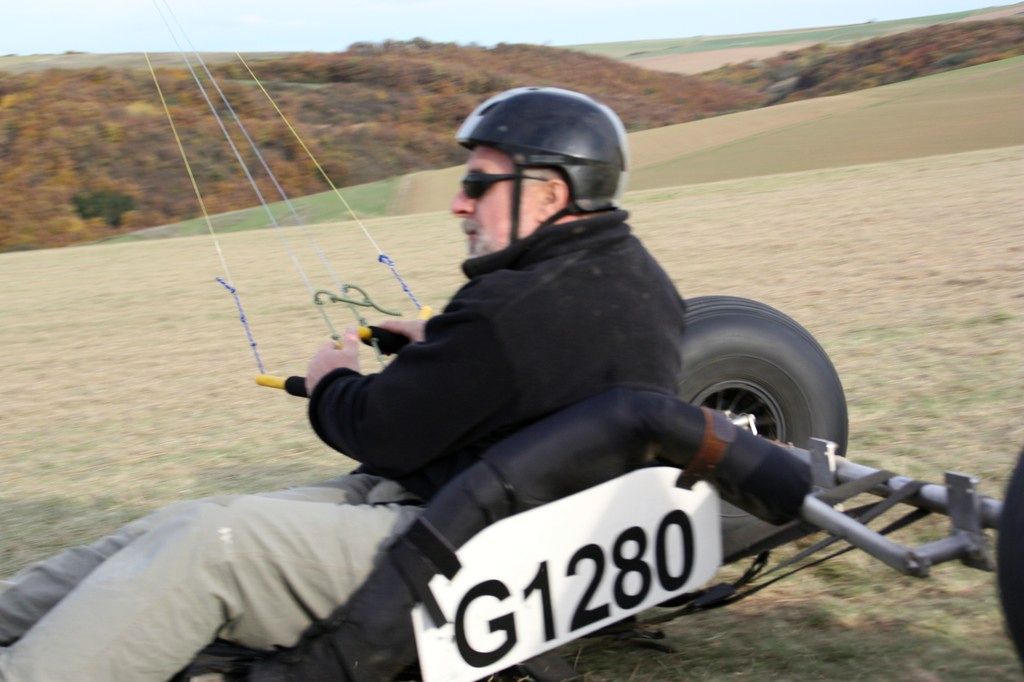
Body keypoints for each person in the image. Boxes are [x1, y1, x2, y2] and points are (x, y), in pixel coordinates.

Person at [0, 87, 687, 681]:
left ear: (552, 192)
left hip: (464, 549)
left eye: (478, 185)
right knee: (180, 522)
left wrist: (332, 382)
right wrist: (440, 340)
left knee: (211, 545)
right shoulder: (633, 278)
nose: (459, 204)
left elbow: (379, 432)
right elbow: (533, 370)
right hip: (500, 519)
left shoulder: (511, 308)